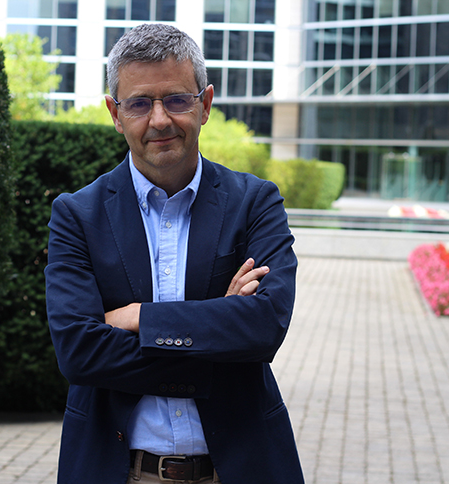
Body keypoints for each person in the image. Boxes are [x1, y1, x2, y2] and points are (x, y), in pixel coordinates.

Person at [45, 23, 303, 484]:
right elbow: (80, 353)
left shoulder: (255, 203)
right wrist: (219, 326)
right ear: (115, 113)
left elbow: (264, 327)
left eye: (176, 100)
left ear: (204, 105)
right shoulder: (77, 215)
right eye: (140, 103)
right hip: (118, 470)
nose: (160, 119)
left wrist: (140, 317)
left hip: (241, 469)